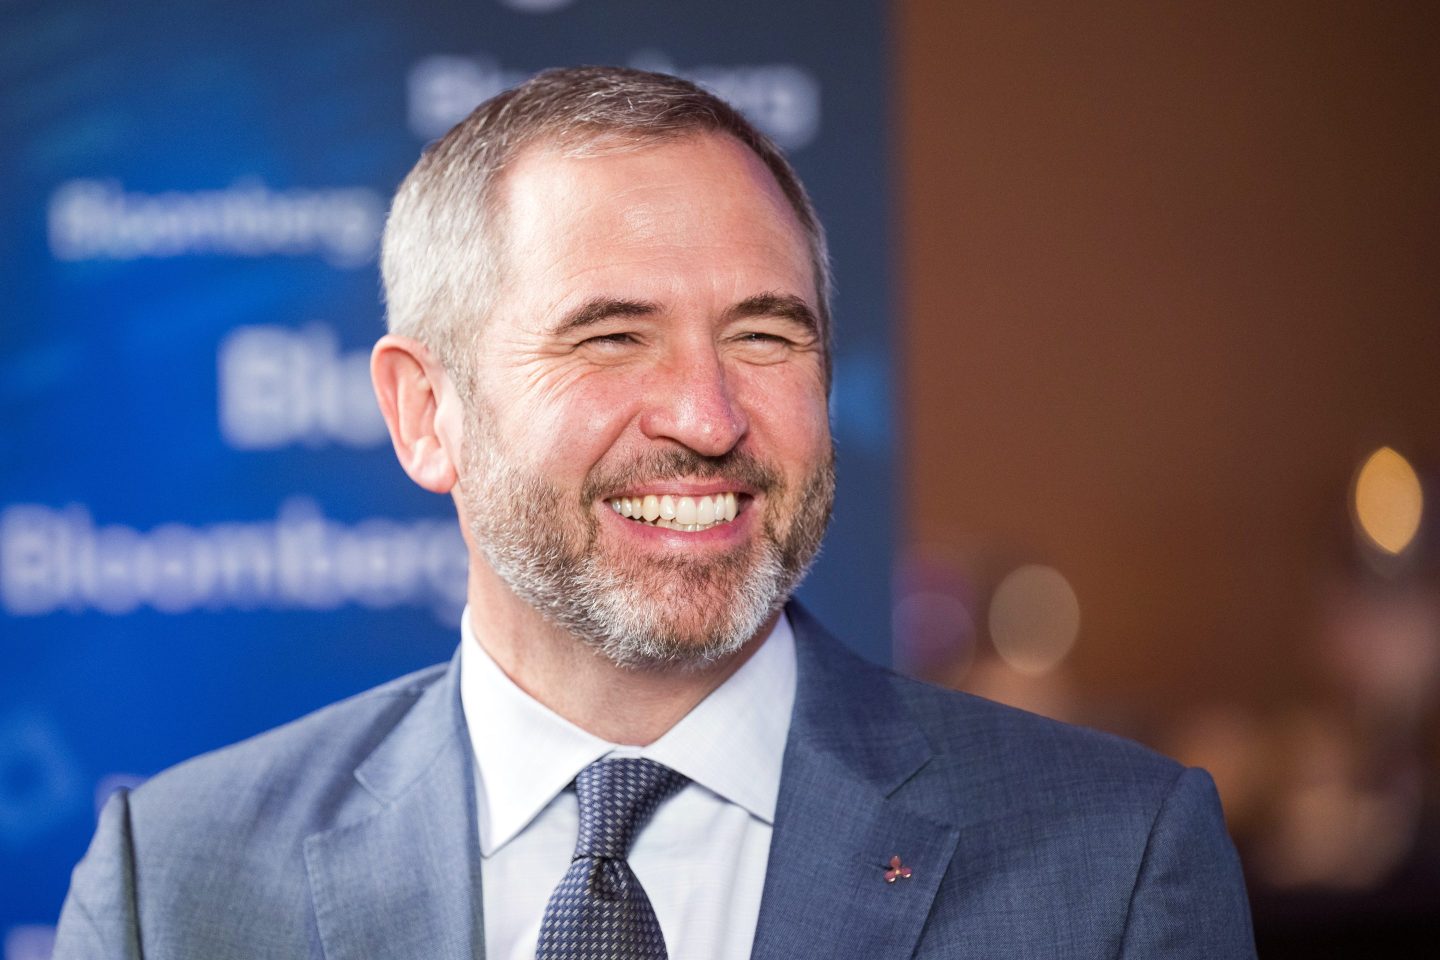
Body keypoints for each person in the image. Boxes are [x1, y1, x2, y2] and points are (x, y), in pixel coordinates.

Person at [53, 66, 1256, 959]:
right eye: (612, 336)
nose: (708, 413)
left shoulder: (1114, 866)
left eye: (766, 334)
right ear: (427, 415)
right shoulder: (178, 887)